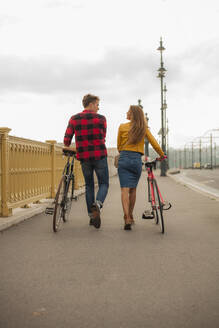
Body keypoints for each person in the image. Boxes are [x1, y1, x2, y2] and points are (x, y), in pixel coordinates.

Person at [64, 94, 109, 229]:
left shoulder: (74, 118)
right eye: (97, 104)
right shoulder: (101, 119)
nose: (98, 107)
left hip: (84, 157)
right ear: (91, 104)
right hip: (100, 155)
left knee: (89, 186)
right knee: (104, 184)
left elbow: (66, 141)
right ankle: (98, 205)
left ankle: (91, 216)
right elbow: (103, 136)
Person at [117, 105, 165, 230]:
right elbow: (154, 142)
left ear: (132, 114)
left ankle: (126, 217)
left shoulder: (122, 127)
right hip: (136, 160)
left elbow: (118, 146)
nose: (126, 113)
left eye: (128, 111)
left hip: (124, 158)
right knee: (133, 190)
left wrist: (124, 152)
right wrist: (162, 154)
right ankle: (131, 215)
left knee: (124, 190)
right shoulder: (143, 128)